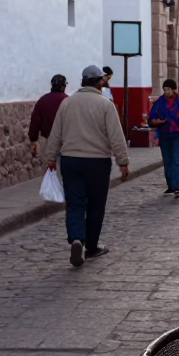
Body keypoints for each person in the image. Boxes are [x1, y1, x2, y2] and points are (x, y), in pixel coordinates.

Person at [46, 64, 129, 267]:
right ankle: (91, 245)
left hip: (70, 161)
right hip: (98, 163)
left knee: (74, 203)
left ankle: (76, 238)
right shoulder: (105, 105)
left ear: (82, 81)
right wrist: (123, 162)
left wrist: (50, 158)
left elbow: (55, 132)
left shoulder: (67, 103)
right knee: (95, 204)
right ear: (99, 81)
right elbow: (116, 136)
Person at [148, 78, 179, 196]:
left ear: (173, 90)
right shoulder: (159, 102)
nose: (166, 92)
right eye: (164, 90)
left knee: (176, 161)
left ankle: (177, 186)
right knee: (167, 161)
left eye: (168, 89)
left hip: (178, 135)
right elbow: (151, 118)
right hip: (164, 135)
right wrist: (155, 122)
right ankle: (170, 186)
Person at [29, 74, 68, 167]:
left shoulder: (43, 100)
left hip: (49, 140)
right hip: (66, 141)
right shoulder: (68, 100)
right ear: (64, 86)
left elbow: (35, 122)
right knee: (65, 172)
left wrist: (33, 141)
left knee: (50, 169)